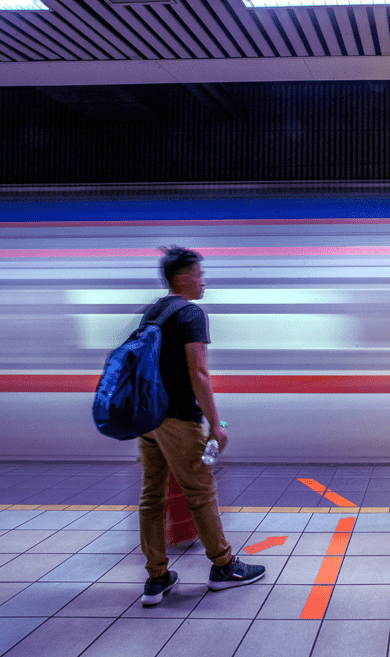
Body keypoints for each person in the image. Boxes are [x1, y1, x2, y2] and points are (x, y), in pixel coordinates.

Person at [138, 246, 265, 607]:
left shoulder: (154, 312)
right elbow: (199, 372)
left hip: (149, 420)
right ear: (182, 278)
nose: (203, 281)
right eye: (198, 274)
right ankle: (223, 566)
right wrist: (215, 424)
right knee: (201, 491)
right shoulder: (191, 313)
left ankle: (157, 578)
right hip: (178, 419)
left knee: (152, 498)